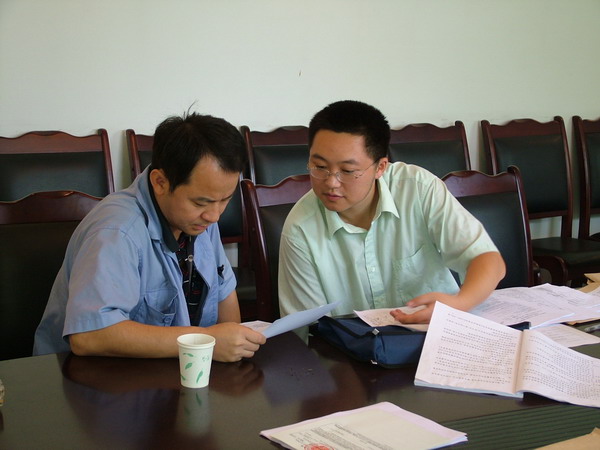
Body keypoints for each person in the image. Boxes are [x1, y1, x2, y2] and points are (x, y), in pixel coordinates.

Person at [34, 112, 266, 361]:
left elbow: (223, 293)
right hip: (85, 375)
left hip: (169, 369)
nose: (215, 215)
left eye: (225, 200)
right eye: (201, 202)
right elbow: (90, 336)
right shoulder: (117, 230)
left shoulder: (201, 219)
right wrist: (203, 341)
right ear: (160, 182)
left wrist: (234, 351)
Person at [278, 100, 506, 324]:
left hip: (439, 330)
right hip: (355, 346)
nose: (331, 182)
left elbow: (487, 259)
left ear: (380, 167)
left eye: (347, 171)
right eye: (320, 167)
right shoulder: (300, 228)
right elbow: (309, 327)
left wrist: (459, 303)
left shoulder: (418, 188)